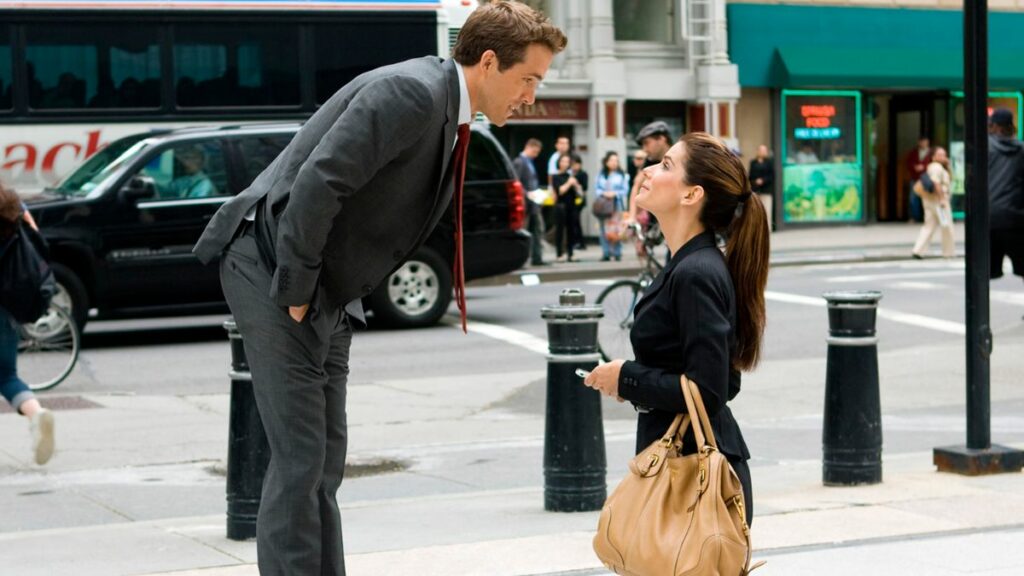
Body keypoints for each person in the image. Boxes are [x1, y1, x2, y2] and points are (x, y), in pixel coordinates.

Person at [192, 4, 565, 575]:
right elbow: (320, 182)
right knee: (299, 461)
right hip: (269, 267)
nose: (530, 96)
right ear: (489, 62)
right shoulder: (413, 93)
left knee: (321, 463)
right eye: (529, 80)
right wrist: (296, 286)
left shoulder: (440, 100)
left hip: (326, 291)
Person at [582, 132, 770, 529]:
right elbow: (722, 379)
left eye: (666, 165)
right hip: (680, 466)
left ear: (691, 195)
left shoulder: (696, 272)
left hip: (694, 476)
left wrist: (628, 378)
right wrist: (636, 383)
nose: (649, 170)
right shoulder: (688, 264)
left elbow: (711, 389)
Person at [0, 186, 55, 466]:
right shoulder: (15, 213)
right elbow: (36, 238)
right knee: (6, 375)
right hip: (7, 308)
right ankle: (36, 414)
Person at [987, 108, 1024, 300]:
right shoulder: (1021, 150)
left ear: (993, 126)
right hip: (1015, 219)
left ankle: (979, 319)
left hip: (987, 219)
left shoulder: (984, 148)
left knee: (982, 272)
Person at [911, 146, 954, 259]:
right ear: (934, 157)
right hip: (939, 201)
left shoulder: (937, 167)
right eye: (940, 155)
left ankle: (918, 250)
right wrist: (942, 199)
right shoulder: (936, 168)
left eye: (944, 154)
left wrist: (948, 165)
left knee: (929, 225)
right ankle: (948, 252)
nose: (943, 157)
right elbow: (936, 184)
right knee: (947, 226)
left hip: (929, 200)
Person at [512, 138, 547, 266]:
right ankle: (523, 260)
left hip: (533, 203)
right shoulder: (519, 162)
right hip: (525, 203)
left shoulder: (528, 162)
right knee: (525, 231)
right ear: (529, 147)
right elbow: (516, 181)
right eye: (535, 151)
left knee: (538, 230)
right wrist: (527, 194)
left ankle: (537, 258)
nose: (536, 154)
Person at [594, 151, 629, 261]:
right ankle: (606, 252)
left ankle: (617, 252)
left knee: (617, 228)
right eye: (612, 160)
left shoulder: (622, 175)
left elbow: (625, 190)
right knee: (603, 229)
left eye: (616, 161)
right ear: (606, 162)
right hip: (604, 205)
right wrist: (604, 193)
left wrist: (615, 193)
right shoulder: (601, 175)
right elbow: (597, 189)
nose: (614, 163)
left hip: (616, 204)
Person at [551, 153, 579, 262]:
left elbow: (579, 193)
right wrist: (569, 183)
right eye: (563, 161)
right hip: (560, 206)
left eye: (567, 162)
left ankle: (571, 253)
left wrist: (576, 185)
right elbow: (560, 191)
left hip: (571, 205)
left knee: (571, 229)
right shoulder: (555, 176)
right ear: (559, 163)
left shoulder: (571, 176)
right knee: (560, 230)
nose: (565, 164)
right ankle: (559, 253)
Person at [905, 136, 932, 223]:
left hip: (928, 179)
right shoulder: (914, 152)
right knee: (913, 198)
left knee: (929, 198)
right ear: (919, 142)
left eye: (925, 141)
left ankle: (929, 218)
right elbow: (908, 163)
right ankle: (914, 217)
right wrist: (915, 167)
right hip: (915, 178)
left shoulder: (932, 153)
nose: (923, 143)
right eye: (922, 142)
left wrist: (924, 167)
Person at [749, 144, 774, 230]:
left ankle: (767, 229)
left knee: (767, 210)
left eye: (764, 150)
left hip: (766, 189)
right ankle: (758, 229)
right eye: (760, 150)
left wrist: (763, 180)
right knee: (756, 210)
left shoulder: (769, 162)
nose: (762, 152)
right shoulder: (753, 162)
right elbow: (750, 175)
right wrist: (755, 181)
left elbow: (771, 175)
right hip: (756, 189)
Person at [570, 154, 588, 250]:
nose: (574, 166)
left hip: (579, 200)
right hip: (572, 200)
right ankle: (576, 241)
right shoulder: (570, 174)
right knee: (574, 222)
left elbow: (585, 187)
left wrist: (576, 184)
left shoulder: (582, 174)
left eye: (576, 164)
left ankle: (580, 242)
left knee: (576, 221)